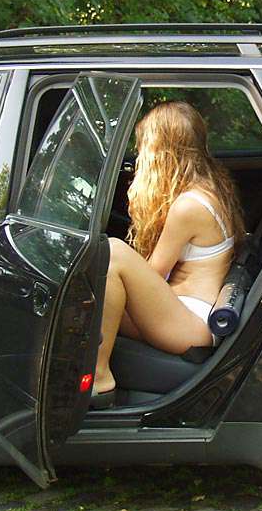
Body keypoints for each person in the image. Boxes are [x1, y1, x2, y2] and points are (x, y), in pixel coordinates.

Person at [90, 100, 245, 407]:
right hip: (189, 311)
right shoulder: (210, 187)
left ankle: (99, 376)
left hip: (190, 322)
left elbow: (155, 273)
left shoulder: (188, 206)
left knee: (114, 253)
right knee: (87, 302)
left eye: (144, 148)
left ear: (162, 150)